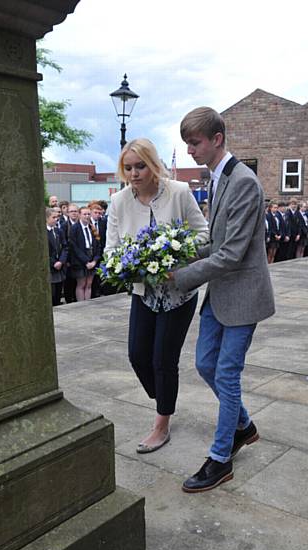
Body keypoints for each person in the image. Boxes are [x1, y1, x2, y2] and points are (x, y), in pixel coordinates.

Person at [172, 107, 274, 493]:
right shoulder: (218, 178)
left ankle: (220, 459)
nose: (190, 151)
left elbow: (232, 253)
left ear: (217, 139)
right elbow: (217, 242)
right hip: (221, 292)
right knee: (203, 364)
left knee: (227, 374)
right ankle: (244, 425)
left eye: (194, 143)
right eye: (186, 144)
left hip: (244, 294)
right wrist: (177, 253)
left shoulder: (244, 181)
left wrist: (181, 277)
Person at [105, 138, 209, 454]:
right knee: (138, 355)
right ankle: (165, 396)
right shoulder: (119, 201)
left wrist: (172, 251)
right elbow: (110, 249)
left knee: (164, 358)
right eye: (128, 168)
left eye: (140, 166)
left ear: (153, 165)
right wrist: (129, 263)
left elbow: (204, 234)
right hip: (143, 290)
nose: (134, 173)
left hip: (178, 290)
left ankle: (161, 423)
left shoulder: (178, 192)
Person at [69, 206, 100, 301]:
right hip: (80, 260)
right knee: (81, 284)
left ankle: (88, 303)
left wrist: (94, 261)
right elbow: (74, 247)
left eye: (88, 214)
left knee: (89, 283)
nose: (87, 216)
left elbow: (98, 245)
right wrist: (86, 261)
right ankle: (81, 305)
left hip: (92, 258)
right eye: (84, 214)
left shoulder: (92, 228)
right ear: (79, 215)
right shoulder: (75, 228)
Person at [45, 208, 68, 306]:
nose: (56, 219)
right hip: (51, 267)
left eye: (57, 217)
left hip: (59, 267)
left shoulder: (59, 231)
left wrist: (61, 261)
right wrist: (53, 263)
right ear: (46, 218)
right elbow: (45, 252)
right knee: (52, 293)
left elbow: (65, 247)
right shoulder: (44, 233)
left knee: (58, 292)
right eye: (53, 217)